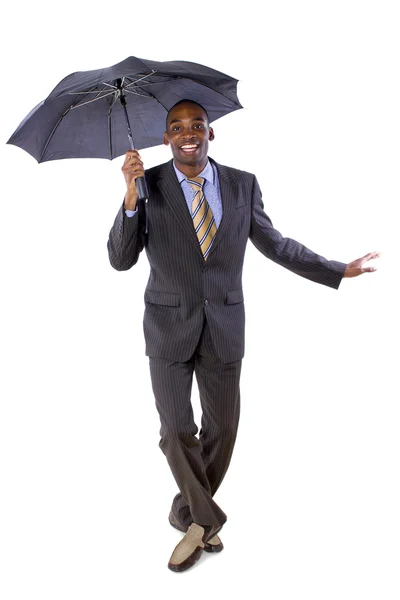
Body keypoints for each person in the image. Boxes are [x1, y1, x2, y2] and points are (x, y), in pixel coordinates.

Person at [107, 99, 379, 573]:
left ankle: (188, 514)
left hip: (225, 327)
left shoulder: (241, 184)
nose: (187, 132)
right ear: (165, 138)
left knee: (224, 430)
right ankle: (206, 521)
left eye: (197, 125)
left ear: (211, 134)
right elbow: (120, 259)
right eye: (176, 127)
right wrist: (130, 196)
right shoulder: (146, 185)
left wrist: (337, 269)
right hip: (168, 328)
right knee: (175, 431)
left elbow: (274, 243)